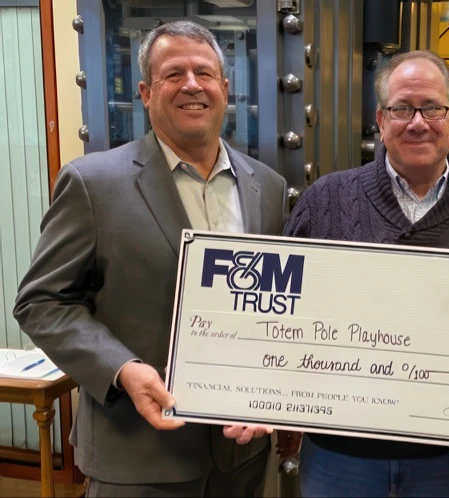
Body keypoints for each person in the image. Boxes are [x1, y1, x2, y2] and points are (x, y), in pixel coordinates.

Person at [14, 21, 287, 497]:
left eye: (204, 73)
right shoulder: (94, 184)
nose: (191, 85)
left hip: (242, 456)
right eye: (173, 74)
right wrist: (121, 368)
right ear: (144, 92)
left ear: (225, 88)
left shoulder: (267, 187)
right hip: (138, 457)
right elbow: (41, 303)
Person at [282, 50, 449, 496]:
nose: (418, 122)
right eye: (402, 108)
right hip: (339, 456)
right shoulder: (326, 201)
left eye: (433, 107)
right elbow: (282, 313)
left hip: (444, 462)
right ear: (381, 118)